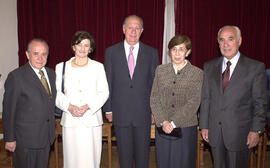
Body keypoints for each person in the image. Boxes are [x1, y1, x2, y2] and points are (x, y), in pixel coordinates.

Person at [199, 25, 268, 168]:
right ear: (218, 43)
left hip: (241, 134)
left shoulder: (255, 68)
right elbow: (206, 98)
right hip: (215, 133)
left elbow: (260, 103)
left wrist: (256, 130)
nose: (226, 44)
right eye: (222, 40)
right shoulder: (209, 66)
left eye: (230, 39)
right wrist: (204, 125)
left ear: (240, 41)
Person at [103, 15, 159, 168]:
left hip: (144, 113)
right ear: (123, 29)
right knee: (124, 156)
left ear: (142, 31)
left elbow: (155, 84)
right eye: (130, 27)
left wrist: (155, 110)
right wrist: (108, 109)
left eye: (137, 28)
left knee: (143, 158)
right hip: (120, 112)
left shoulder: (152, 53)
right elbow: (108, 82)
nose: (133, 31)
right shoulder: (111, 52)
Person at [55, 31, 109, 168]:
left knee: (90, 158)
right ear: (73, 46)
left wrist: (87, 106)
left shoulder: (98, 67)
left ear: (90, 49)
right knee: (71, 159)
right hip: (70, 119)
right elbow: (56, 93)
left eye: (86, 45)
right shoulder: (61, 67)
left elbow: (104, 92)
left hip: (91, 119)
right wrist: (70, 107)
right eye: (79, 45)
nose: (82, 49)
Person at [150, 35, 203, 168]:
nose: (177, 53)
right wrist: (163, 121)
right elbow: (154, 98)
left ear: (188, 52)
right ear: (170, 52)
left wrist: (173, 123)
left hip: (185, 128)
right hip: (163, 127)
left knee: (183, 163)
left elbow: (194, 102)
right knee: (163, 163)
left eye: (181, 49)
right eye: (174, 49)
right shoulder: (160, 70)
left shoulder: (197, 73)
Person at [2, 38, 56, 168]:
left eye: (44, 54)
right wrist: (9, 138)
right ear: (27, 54)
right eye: (35, 53)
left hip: (46, 137)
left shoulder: (51, 74)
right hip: (25, 140)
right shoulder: (16, 76)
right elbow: (9, 110)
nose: (40, 58)